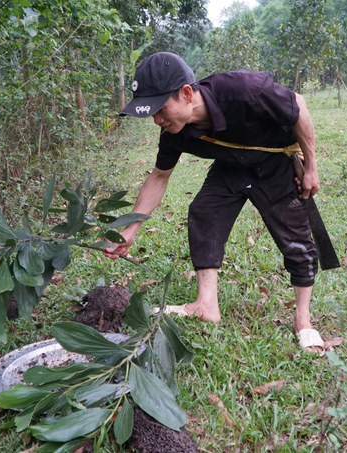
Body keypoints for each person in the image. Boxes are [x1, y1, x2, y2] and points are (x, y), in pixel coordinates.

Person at [104, 52, 325, 356]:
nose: (157, 120)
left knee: (296, 240)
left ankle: (303, 320)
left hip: (275, 165)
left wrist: (311, 167)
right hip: (231, 166)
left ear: (185, 94)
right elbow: (159, 177)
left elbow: (297, 106)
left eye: (160, 109)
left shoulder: (244, 90)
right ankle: (206, 304)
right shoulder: (174, 133)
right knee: (205, 212)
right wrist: (130, 228)